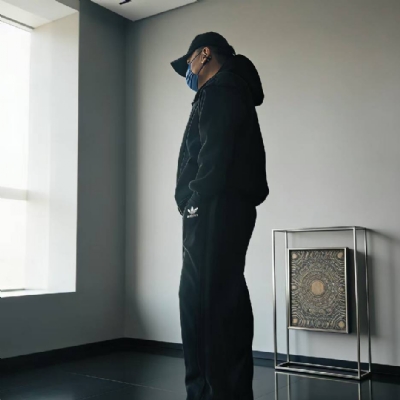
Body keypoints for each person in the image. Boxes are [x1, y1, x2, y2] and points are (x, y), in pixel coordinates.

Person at [171, 32, 269, 400]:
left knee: (202, 303)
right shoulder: (233, 90)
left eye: (189, 64)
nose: (190, 73)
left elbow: (214, 152)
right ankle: (228, 392)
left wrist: (195, 200)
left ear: (204, 54)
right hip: (225, 207)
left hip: (213, 207)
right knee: (223, 298)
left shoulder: (220, 90)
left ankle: (208, 394)